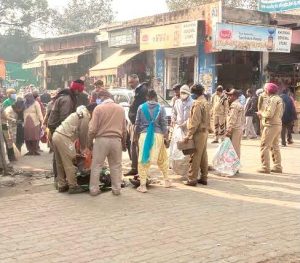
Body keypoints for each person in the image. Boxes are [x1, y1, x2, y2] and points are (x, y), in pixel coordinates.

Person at [88, 90, 127, 196]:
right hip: (116, 140)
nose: (98, 100)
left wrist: (90, 141)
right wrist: (124, 143)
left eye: (98, 98)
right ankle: (116, 189)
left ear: (102, 97)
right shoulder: (120, 109)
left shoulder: (98, 108)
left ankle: (94, 190)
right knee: (116, 166)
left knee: (96, 165)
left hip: (101, 140)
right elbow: (124, 129)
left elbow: (92, 129)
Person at [52, 104, 96, 194]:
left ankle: (62, 184)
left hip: (57, 134)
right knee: (69, 161)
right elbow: (83, 133)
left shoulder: (80, 112)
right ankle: (73, 186)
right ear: (92, 111)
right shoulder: (85, 117)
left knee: (59, 162)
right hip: (64, 137)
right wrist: (84, 148)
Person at [135, 89, 171, 193]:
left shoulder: (141, 107)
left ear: (147, 97)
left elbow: (137, 124)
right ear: (156, 97)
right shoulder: (161, 108)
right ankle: (166, 180)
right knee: (162, 157)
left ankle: (143, 185)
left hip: (144, 135)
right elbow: (164, 124)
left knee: (143, 159)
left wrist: (136, 137)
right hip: (158, 135)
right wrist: (166, 138)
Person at [183, 84, 210, 186]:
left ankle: (192, 179)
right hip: (205, 132)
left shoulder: (198, 103)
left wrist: (188, 135)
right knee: (203, 155)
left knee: (195, 156)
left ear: (194, 93)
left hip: (198, 133)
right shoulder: (206, 102)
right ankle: (204, 177)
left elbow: (195, 121)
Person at [257, 83, 284, 174]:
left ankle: (265, 167)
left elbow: (269, 114)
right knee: (275, 146)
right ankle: (277, 166)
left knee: (264, 146)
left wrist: (261, 113)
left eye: (265, 89)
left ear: (268, 90)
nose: (264, 91)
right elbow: (281, 113)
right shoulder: (279, 99)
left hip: (270, 125)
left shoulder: (272, 100)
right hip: (277, 124)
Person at [125, 74, 148, 176]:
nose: (130, 84)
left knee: (139, 147)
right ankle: (134, 168)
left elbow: (140, 107)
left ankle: (141, 170)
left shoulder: (142, 90)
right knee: (133, 146)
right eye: (129, 83)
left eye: (132, 82)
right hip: (134, 122)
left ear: (137, 80)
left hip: (140, 123)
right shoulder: (137, 91)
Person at [169, 85, 193, 175]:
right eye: (182, 93)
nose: (183, 95)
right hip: (178, 128)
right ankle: (177, 169)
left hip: (187, 129)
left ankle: (187, 171)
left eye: (185, 93)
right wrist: (173, 119)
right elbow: (174, 112)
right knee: (176, 149)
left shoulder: (192, 103)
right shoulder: (177, 102)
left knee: (187, 151)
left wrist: (186, 123)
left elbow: (193, 117)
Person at [225, 89, 245, 161]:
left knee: (233, 149)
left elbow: (232, 118)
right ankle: (235, 167)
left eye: (230, 95)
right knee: (236, 148)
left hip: (235, 129)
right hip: (238, 128)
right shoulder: (238, 104)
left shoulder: (235, 105)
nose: (228, 97)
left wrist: (228, 130)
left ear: (234, 96)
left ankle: (234, 167)